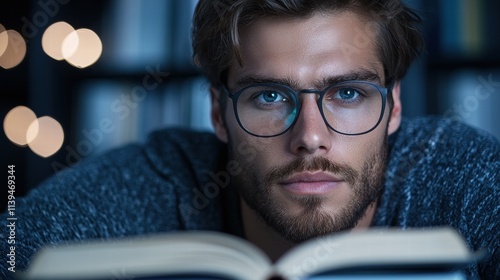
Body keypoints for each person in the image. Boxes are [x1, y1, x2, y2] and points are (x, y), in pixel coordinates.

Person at [1, 0, 498, 279]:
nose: (310, 138)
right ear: (219, 112)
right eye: (268, 97)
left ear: (394, 105)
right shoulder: (159, 180)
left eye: (347, 93)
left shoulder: (462, 176)